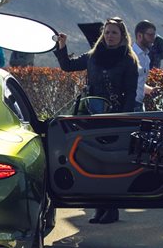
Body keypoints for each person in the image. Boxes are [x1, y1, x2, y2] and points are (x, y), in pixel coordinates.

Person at [52, 17, 140, 224]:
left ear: (122, 36)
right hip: (91, 115)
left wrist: (123, 118)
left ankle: (111, 209)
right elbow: (67, 66)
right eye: (107, 32)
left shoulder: (128, 59)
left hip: (115, 116)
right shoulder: (93, 56)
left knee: (112, 163)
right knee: (93, 161)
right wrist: (62, 46)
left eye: (114, 32)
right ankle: (99, 207)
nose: (110, 36)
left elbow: (131, 92)